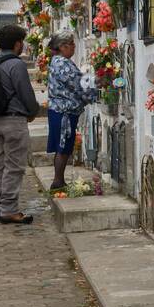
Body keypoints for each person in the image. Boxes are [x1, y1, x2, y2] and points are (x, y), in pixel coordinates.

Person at [0, 24, 41, 225]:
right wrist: (33, 111)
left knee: (0, 165)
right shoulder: (15, 64)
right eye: (22, 42)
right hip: (14, 121)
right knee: (15, 167)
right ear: (17, 43)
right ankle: (9, 209)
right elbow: (25, 93)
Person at [45, 31, 97, 190]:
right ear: (63, 46)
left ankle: (58, 180)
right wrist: (97, 87)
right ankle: (57, 181)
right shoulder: (62, 63)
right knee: (63, 146)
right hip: (64, 112)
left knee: (63, 145)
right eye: (72, 44)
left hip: (60, 111)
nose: (74, 47)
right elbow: (78, 83)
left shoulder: (58, 61)